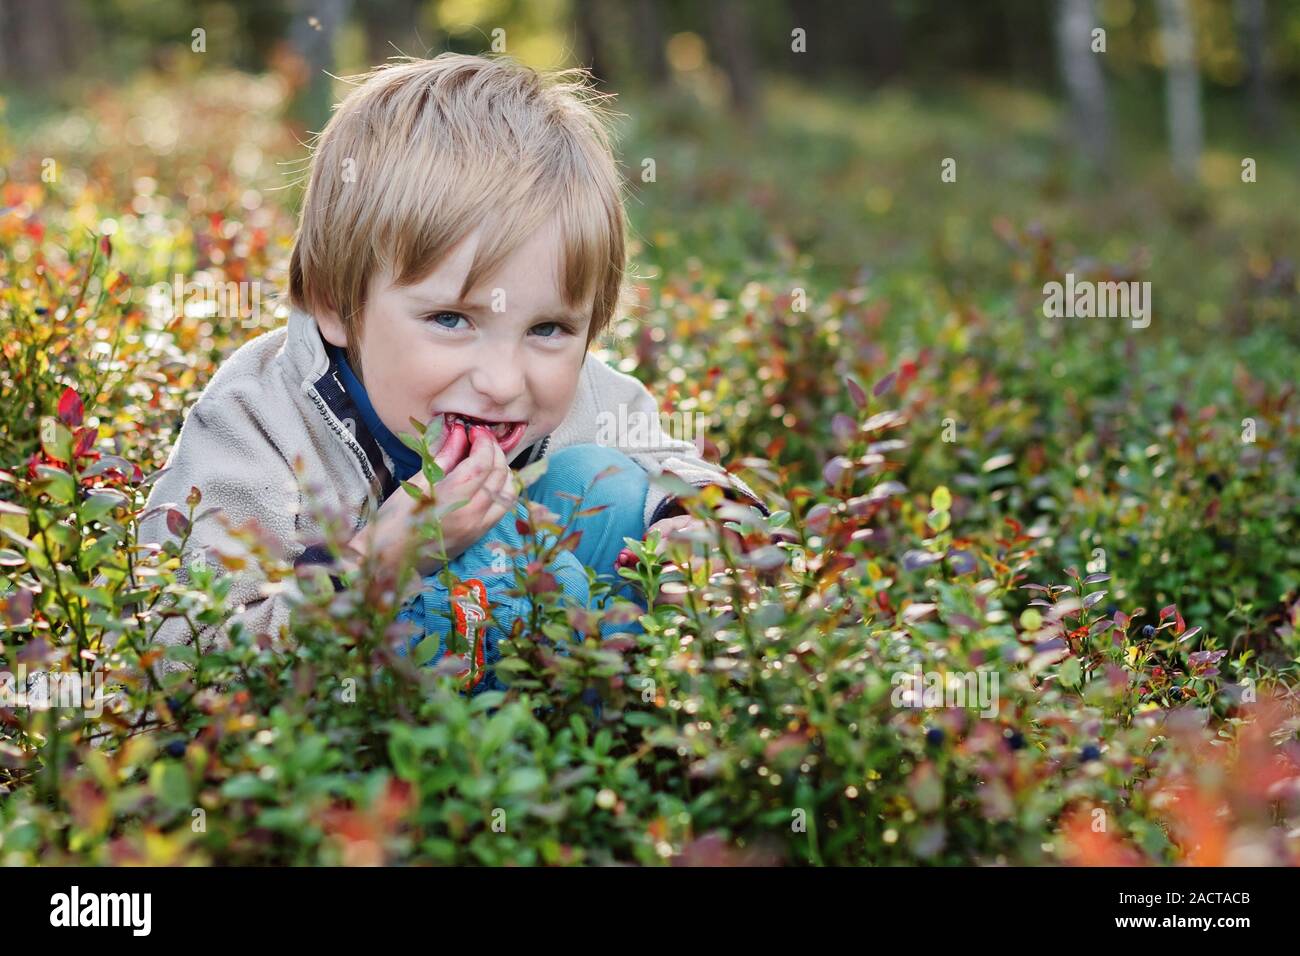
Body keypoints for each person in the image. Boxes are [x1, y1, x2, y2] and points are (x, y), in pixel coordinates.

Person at [140, 53, 767, 679]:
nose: (502, 382)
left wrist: (702, 527)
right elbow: (185, 659)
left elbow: (677, 467)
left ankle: (624, 732)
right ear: (335, 303)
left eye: (547, 328)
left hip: (564, 702)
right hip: (361, 736)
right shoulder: (259, 419)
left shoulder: (585, 397)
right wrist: (385, 558)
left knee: (606, 479)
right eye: (450, 320)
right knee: (495, 559)